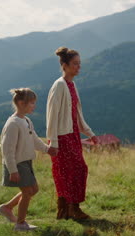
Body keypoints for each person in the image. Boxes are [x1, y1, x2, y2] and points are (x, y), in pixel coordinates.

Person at [46, 46, 98, 220]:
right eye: (75, 64)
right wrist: (52, 142)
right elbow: (52, 116)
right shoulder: (59, 85)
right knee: (68, 172)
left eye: (79, 63)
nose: (78, 67)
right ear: (65, 65)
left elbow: (77, 113)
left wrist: (90, 133)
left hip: (73, 135)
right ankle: (67, 209)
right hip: (61, 137)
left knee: (77, 170)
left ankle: (70, 209)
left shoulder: (72, 85)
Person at [0, 88, 57, 231]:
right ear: (21, 103)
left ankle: (7, 208)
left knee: (33, 189)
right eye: (32, 103)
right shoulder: (13, 123)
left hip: (26, 162)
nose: (34, 106)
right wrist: (12, 170)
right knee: (27, 192)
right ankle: (20, 223)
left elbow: (34, 139)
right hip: (17, 164)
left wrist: (47, 149)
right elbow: (7, 149)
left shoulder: (27, 120)